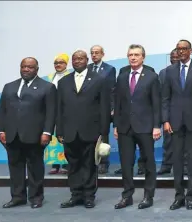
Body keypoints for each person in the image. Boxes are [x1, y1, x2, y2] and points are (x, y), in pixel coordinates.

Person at [0, 57, 56, 209]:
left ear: (37, 69)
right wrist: (1, 130)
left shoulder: (47, 87)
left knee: (35, 168)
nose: (26, 69)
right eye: (23, 66)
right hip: (12, 135)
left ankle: (36, 197)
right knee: (15, 167)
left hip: (35, 136)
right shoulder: (9, 86)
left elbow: (51, 112)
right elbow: (2, 109)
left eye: (30, 67)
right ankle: (17, 197)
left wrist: (47, 132)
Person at [55, 50, 111, 209]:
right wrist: (59, 130)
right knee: (73, 165)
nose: (77, 61)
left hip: (91, 130)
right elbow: (59, 108)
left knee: (89, 165)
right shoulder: (64, 82)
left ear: (87, 60)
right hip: (69, 131)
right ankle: (75, 195)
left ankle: (89, 196)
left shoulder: (99, 79)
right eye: (75, 59)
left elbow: (104, 107)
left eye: (81, 58)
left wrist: (104, 132)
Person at [162, 39, 192, 210]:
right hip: (174, 122)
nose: (181, 52)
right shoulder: (170, 71)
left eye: (184, 49)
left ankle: (191, 196)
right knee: (177, 160)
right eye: (178, 49)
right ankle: (179, 196)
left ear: (191, 50)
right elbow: (165, 98)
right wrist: (165, 120)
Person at [113, 44, 161, 210]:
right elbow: (118, 103)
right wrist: (116, 125)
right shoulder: (122, 76)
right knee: (126, 164)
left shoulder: (152, 77)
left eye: (136, 55)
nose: (133, 57)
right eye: (130, 55)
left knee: (148, 162)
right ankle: (127, 196)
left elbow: (157, 103)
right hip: (125, 127)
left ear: (143, 57)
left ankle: (148, 196)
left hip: (146, 126)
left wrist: (156, 126)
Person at [87, 45, 117, 175]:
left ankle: (104, 163)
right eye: (92, 53)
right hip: (89, 108)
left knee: (103, 137)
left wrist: (112, 107)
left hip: (103, 108)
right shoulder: (86, 68)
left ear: (102, 54)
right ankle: (89, 163)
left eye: (97, 53)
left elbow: (112, 90)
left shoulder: (109, 69)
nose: (94, 55)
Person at [46, 53, 70, 175]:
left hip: (66, 111)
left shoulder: (70, 76)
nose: (58, 65)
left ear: (66, 64)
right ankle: (55, 165)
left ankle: (66, 164)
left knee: (65, 137)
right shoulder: (50, 77)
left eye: (61, 62)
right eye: (56, 63)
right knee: (53, 139)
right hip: (52, 110)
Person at [157, 48, 179, 175]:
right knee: (168, 142)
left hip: (185, 114)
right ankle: (166, 165)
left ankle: (185, 167)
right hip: (169, 114)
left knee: (186, 144)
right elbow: (161, 96)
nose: (174, 59)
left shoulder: (188, 72)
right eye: (172, 57)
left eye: (176, 57)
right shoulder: (163, 73)